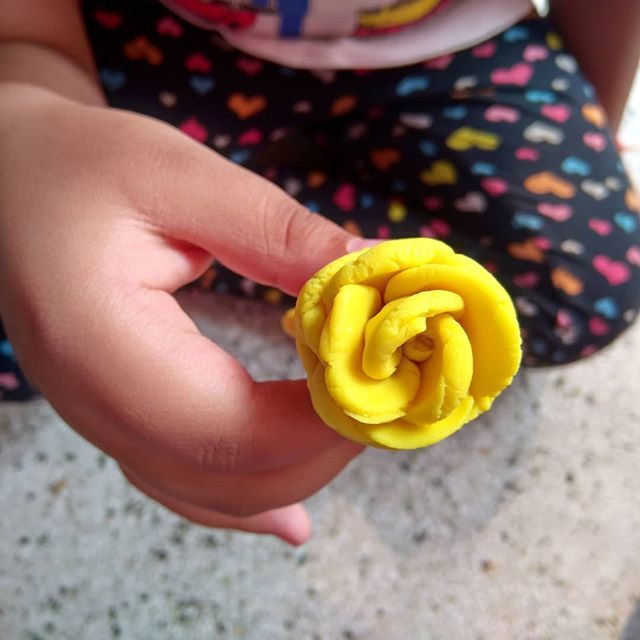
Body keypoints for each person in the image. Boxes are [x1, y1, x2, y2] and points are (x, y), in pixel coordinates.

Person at [0, 0, 639, 544]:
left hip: (456, 43)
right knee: (26, 322)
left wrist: (595, 118)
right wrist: (26, 101)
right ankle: (185, 219)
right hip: (154, 31)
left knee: (585, 290)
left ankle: (193, 225)